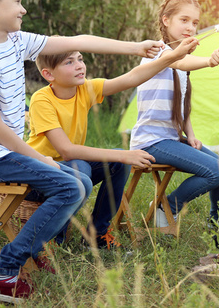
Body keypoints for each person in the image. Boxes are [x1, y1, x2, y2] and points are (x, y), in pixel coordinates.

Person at [0, 0, 164, 303]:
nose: (23, 9)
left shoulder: (17, 43)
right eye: (18, 1)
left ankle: (35, 250)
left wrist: (136, 47)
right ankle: (2, 271)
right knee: (69, 185)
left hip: (3, 154)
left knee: (77, 185)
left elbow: (79, 40)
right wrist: (43, 159)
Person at [26, 37, 198, 249]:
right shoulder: (41, 100)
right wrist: (123, 154)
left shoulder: (85, 89)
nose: (79, 65)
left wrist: (172, 56)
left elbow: (132, 78)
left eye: (80, 59)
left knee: (114, 164)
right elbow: (66, 151)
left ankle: (96, 236)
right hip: (40, 173)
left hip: (72, 169)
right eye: (69, 62)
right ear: (48, 74)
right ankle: (52, 241)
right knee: (85, 166)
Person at [128, 0, 219, 234]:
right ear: (166, 20)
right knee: (214, 172)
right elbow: (177, 61)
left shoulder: (182, 62)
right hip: (151, 141)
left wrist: (191, 134)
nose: (191, 27)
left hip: (173, 138)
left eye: (195, 23)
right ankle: (166, 207)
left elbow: (182, 105)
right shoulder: (156, 52)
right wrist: (209, 60)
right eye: (184, 20)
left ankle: (217, 223)